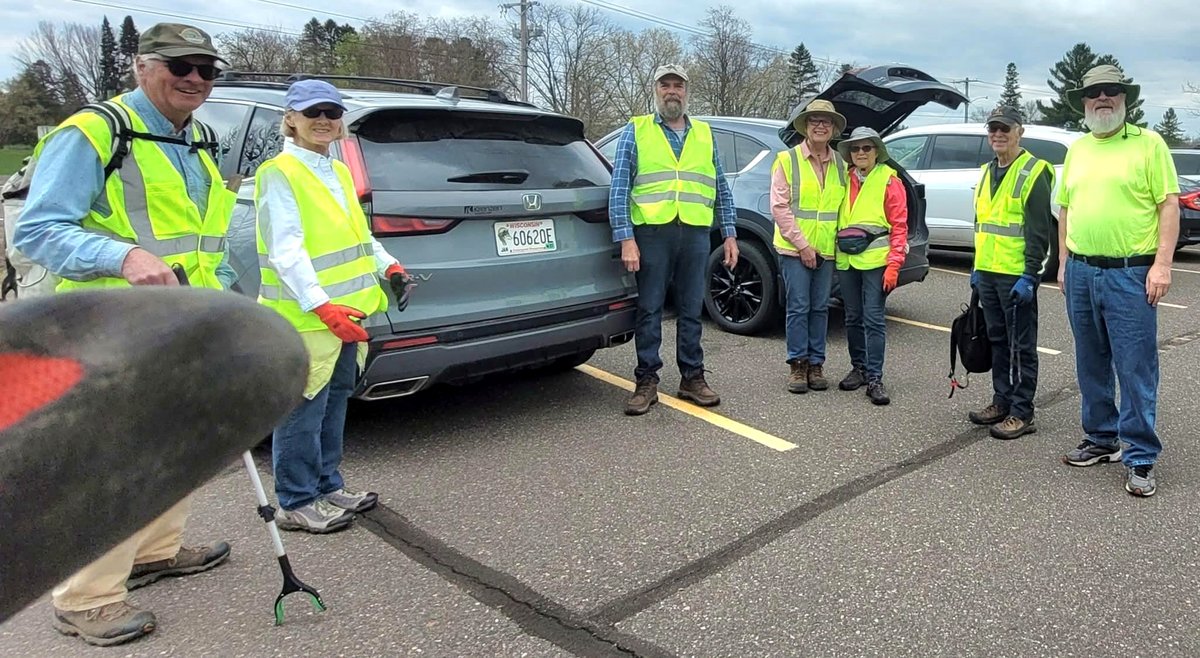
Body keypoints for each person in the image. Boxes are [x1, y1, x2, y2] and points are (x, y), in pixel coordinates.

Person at [12, 23, 235, 646]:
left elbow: (201, 239)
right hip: (105, 327)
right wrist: (122, 257)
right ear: (141, 66)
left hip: (181, 322)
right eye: (179, 65)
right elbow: (36, 231)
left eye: (206, 69)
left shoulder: (201, 138)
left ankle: (155, 552)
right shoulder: (92, 132)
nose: (194, 78)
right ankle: (84, 599)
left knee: (177, 444)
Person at [255, 79, 414, 531]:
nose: (323, 121)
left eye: (331, 113)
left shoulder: (339, 170)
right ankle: (296, 499)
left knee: (335, 403)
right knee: (302, 410)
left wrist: (391, 268)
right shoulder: (279, 173)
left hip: (350, 315)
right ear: (290, 120)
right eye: (312, 113)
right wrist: (322, 306)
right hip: (307, 318)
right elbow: (287, 251)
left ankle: (327, 485)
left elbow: (358, 239)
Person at [1056, 64, 1180, 497]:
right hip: (1082, 271)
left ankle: (1141, 455)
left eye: (1111, 91)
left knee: (1135, 366)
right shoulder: (1078, 149)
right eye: (1094, 93)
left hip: (1131, 273)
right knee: (1091, 361)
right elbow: (1065, 209)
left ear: (1125, 99)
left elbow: (1169, 206)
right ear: (1084, 103)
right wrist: (1064, 262)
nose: (1103, 98)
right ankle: (1101, 437)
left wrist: (1162, 265)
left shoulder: (1149, 144)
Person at [608, 64, 739, 416]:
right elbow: (619, 187)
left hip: (695, 233)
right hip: (651, 233)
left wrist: (729, 233)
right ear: (655, 91)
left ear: (686, 91)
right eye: (665, 85)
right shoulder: (636, 131)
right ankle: (647, 380)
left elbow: (720, 187)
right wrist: (626, 238)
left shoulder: (704, 134)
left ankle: (691, 377)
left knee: (691, 308)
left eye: (677, 86)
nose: (671, 91)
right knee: (650, 309)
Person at [967, 106, 1054, 440]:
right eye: (993, 129)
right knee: (998, 342)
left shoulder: (1034, 171)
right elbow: (982, 225)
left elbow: (1038, 231)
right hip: (988, 273)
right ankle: (1001, 401)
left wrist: (1031, 275)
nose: (998, 135)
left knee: (1021, 346)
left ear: (1020, 131)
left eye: (1005, 129)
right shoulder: (988, 171)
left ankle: (1022, 411)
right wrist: (976, 268)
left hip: (1015, 275)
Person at [771, 99, 847, 393]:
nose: (820, 125)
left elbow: (844, 206)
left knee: (820, 308)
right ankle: (797, 365)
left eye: (826, 121)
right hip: (794, 248)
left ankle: (816, 364)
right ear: (805, 126)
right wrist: (803, 246)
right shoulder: (787, 160)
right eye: (814, 120)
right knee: (799, 306)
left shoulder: (841, 162)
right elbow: (779, 207)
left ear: (832, 129)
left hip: (827, 249)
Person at [834, 127, 908, 405]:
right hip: (847, 260)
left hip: (876, 262)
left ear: (877, 151)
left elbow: (900, 226)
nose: (861, 153)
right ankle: (859, 368)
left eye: (867, 148)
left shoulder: (890, 181)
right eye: (856, 149)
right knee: (852, 317)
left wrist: (894, 265)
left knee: (873, 319)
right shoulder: (844, 179)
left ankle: (875, 377)